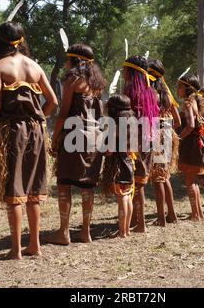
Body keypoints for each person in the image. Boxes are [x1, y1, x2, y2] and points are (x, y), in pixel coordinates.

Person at [0, 21, 58, 260]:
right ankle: (34, 245)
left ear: (0, 40)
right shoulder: (35, 66)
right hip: (37, 131)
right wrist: (35, 118)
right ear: (21, 39)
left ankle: (16, 249)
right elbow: (53, 103)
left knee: (15, 189)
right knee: (34, 189)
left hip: (13, 132)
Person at [49, 43, 106, 245]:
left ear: (75, 61)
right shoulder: (97, 85)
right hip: (95, 138)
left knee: (64, 183)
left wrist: (54, 139)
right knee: (87, 185)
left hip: (74, 135)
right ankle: (85, 232)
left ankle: (64, 232)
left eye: (67, 59)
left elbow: (63, 114)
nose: (65, 63)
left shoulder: (72, 81)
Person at [122, 55, 160, 233]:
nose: (123, 72)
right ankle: (139, 222)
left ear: (131, 72)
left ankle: (138, 223)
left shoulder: (130, 92)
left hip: (134, 140)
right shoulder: (151, 92)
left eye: (125, 70)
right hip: (148, 138)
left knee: (133, 182)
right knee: (140, 183)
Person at [148, 59, 181, 226]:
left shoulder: (151, 93)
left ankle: (161, 218)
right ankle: (172, 214)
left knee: (158, 178)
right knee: (165, 176)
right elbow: (178, 120)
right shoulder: (167, 94)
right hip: (168, 132)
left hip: (157, 132)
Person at [100, 95, 137, 238]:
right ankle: (126, 230)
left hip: (118, 166)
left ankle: (122, 231)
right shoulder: (131, 125)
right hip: (128, 163)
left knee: (122, 198)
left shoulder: (114, 127)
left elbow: (109, 151)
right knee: (127, 196)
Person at [177, 73, 204, 221]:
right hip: (196, 142)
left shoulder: (188, 103)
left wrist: (178, 137)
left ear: (187, 88)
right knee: (193, 179)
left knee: (190, 180)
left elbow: (190, 125)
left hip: (191, 144)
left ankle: (196, 214)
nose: (178, 89)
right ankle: (198, 212)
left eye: (180, 86)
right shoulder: (194, 101)